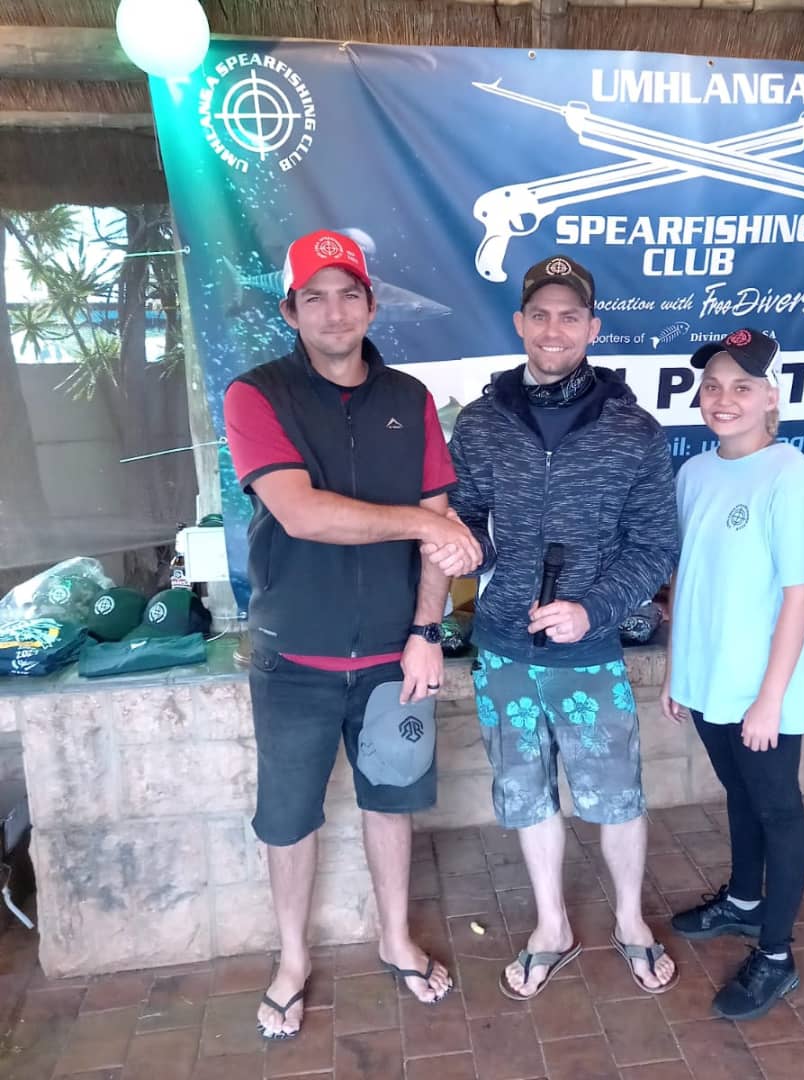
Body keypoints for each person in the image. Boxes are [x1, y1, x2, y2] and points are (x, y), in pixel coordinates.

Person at [223, 229, 482, 1038]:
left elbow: (438, 519)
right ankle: (292, 960)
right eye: (315, 298)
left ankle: (395, 938)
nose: (333, 312)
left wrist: (426, 629)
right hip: (293, 661)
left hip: (391, 662)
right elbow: (301, 513)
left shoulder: (410, 399)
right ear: (290, 311)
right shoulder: (256, 396)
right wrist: (423, 524)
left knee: (391, 802)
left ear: (371, 305)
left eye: (348, 295)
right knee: (289, 818)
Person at [439, 255, 680, 999]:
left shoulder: (633, 430)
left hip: (591, 651)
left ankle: (631, 921)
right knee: (524, 791)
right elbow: (464, 519)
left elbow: (655, 546)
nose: (554, 329)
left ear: (592, 327)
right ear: (519, 323)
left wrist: (591, 609)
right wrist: (465, 547)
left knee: (615, 793)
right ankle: (552, 926)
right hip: (504, 646)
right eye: (539, 315)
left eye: (569, 316)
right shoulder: (481, 424)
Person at [661, 328, 804, 1021]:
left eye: (742, 386)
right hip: (707, 680)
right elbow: (687, 577)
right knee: (739, 793)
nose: (723, 398)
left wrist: (770, 699)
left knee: (778, 810)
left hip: (760, 689)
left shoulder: (790, 476)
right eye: (712, 386)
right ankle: (742, 900)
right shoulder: (694, 473)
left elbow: (801, 594)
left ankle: (776, 955)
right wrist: (677, 669)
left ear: (771, 397)